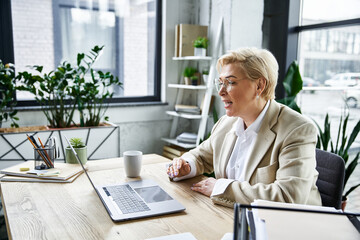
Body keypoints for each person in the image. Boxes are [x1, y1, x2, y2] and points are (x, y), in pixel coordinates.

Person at [166, 47, 322, 208]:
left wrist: (221, 188)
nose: (221, 92)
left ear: (259, 86)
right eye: (220, 82)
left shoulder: (297, 129)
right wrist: (186, 165)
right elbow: (201, 157)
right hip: (232, 216)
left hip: (285, 226)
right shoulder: (226, 123)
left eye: (230, 82)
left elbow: (288, 196)